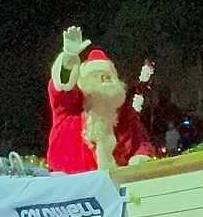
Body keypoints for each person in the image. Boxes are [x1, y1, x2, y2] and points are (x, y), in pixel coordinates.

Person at [46, 27, 154, 174]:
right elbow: (61, 87)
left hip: (112, 182)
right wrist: (69, 58)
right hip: (69, 181)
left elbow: (143, 143)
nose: (104, 81)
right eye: (96, 76)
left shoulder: (126, 115)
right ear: (84, 82)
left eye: (108, 77)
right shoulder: (72, 104)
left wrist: (139, 158)